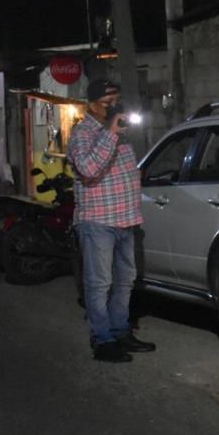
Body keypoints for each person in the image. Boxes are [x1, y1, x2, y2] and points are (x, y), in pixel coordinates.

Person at [67, 78, 155, 362]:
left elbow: (125, 170)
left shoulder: (121, 132)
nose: (114, 107)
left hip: (126, 220)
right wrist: (110, 133)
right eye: (108, 103)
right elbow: (88, 169)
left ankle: (120, 332)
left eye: (116, 101)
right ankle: (102, 340)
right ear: (92, 105)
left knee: (125, 280)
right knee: (99, 283)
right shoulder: (84, 133)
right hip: (98, 221)